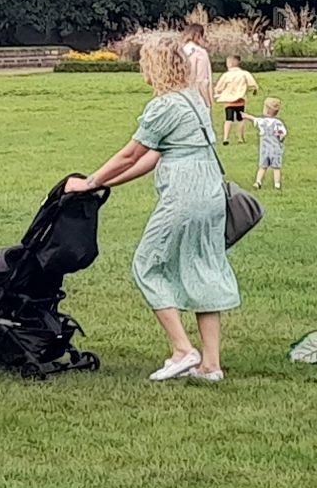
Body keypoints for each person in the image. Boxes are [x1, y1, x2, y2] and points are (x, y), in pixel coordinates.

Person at [66, 33, 238, 383]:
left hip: (184, 194)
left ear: (155, 66)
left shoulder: (162, 107)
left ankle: (181, 349)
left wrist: (88, 181)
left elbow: (131, 153)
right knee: (204, 267)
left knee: (146, 264)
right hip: (210, 192)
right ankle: (211, 364)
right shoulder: (194, 100)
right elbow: (153, 157)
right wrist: (104, 184)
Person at [215, 54, 259, 144]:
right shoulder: (244, 73)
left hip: (229, 101)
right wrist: (254, 89)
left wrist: (218, 93)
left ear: (230, 64)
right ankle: (240, 138)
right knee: (240, 119)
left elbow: (218, 88)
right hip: (240, 101)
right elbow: (252, 84)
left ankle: (226, 138)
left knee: (228, 119)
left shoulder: (226, 75)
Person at [253, 97, 289, 190]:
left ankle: (258, 181)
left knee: (262, 167)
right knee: (276, 167)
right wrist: (280, 137)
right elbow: (283, 133)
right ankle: (277, 184)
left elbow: (254, 120)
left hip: (265, 149)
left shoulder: (262, 121)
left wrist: (245, 116)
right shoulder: (278, 123)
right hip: (275, 149)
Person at [180, 22, 214, 108]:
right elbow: (202, 79)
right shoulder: (200, 52)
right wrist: (207, 101)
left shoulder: (180, 51)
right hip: (197, 94)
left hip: (182, 93)